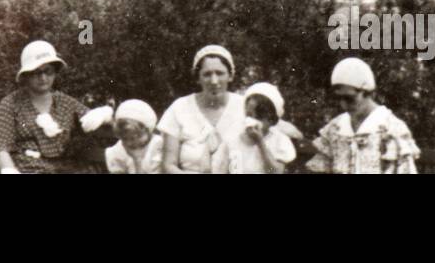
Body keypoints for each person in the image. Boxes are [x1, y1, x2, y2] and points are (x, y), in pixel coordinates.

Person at [0, 40, 114, 174]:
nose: (43, 78)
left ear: (55, 72)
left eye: (48, 71)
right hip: (25, 168)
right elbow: (0, 146)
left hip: (60, 169)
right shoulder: (11, 103)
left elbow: (90, 118)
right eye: (36, 72)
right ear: (26, 76)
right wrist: (8, 170)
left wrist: (104, 113)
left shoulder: (64, 101)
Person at [306, 57, 420, 174]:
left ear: (366, 92)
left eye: (349, 99)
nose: (343, 105)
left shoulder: (391, 129)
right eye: (339, 98)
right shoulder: (335, 129)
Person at [158, 44, 246, 174]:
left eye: (220, 73)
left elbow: (278, 127)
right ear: (198, 78)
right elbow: (168, 165)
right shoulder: (180, 108)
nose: (214, 81)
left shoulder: (244, 106)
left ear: (230, 76)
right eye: (207, 74)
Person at [213, 82, 297, 174]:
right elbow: (220, 170)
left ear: (272, 120)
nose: (252, 120)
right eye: (249, 115)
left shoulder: (279, 141)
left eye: (258, 117)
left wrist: (260, 142)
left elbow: (275, 172)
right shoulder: (233, 139)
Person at [104, 99, 163, 174]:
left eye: (134, 138)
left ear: (148, 130)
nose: (129, 143)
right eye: (124, 139)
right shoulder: (117, 150)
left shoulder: (159, 146)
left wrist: (137, 160)